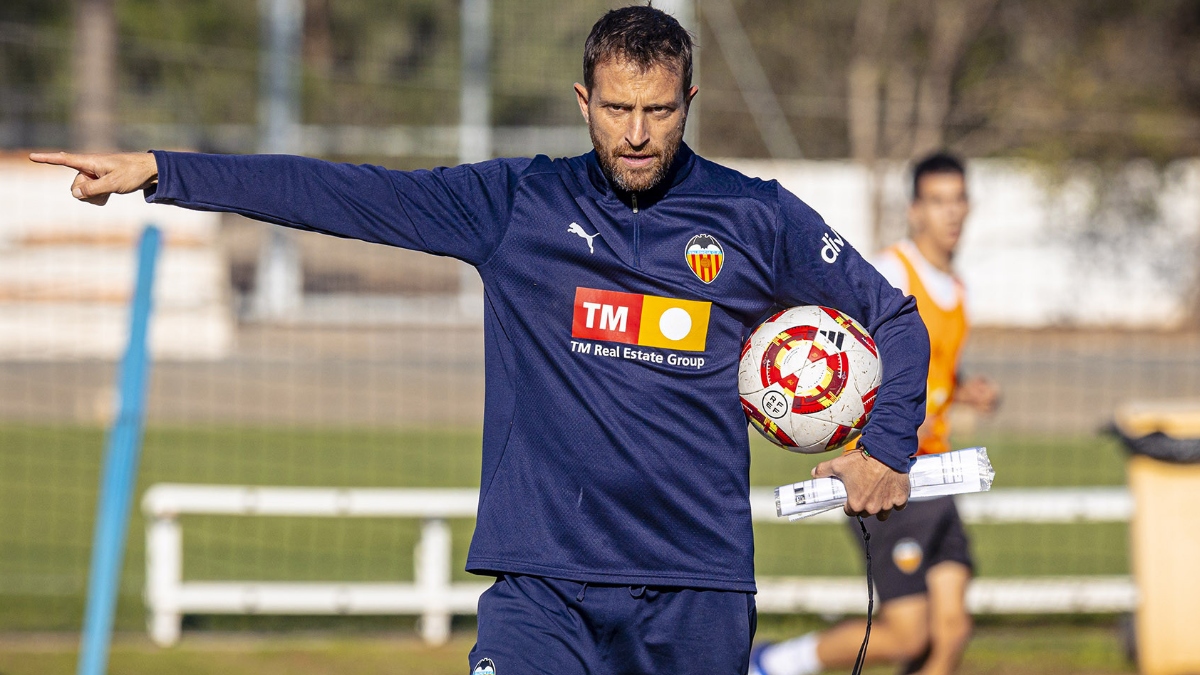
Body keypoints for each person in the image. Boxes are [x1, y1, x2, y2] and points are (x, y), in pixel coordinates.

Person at [31, 6, 929, 674]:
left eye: (659, 110)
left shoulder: (755, 214)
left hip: (696, 582)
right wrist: (164, 170)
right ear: (584, 99)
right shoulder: (516, 205)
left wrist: (884, 448)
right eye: (617, 108)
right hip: (544, 582)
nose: (638, 133)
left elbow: (894, 317)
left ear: (689, 98)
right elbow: (351, 196)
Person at [751, 152, 999, 675]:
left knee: (951, 630)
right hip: (885, 469)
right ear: (914, 210)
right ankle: (774, 663)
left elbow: (929, 369)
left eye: (957, 201)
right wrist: (894, 420)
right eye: (937, 201)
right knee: (909, 635)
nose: (949, 214)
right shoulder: (889, 272)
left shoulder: (957, 288)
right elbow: (856, 361)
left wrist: (960, 389)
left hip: (936, 471)